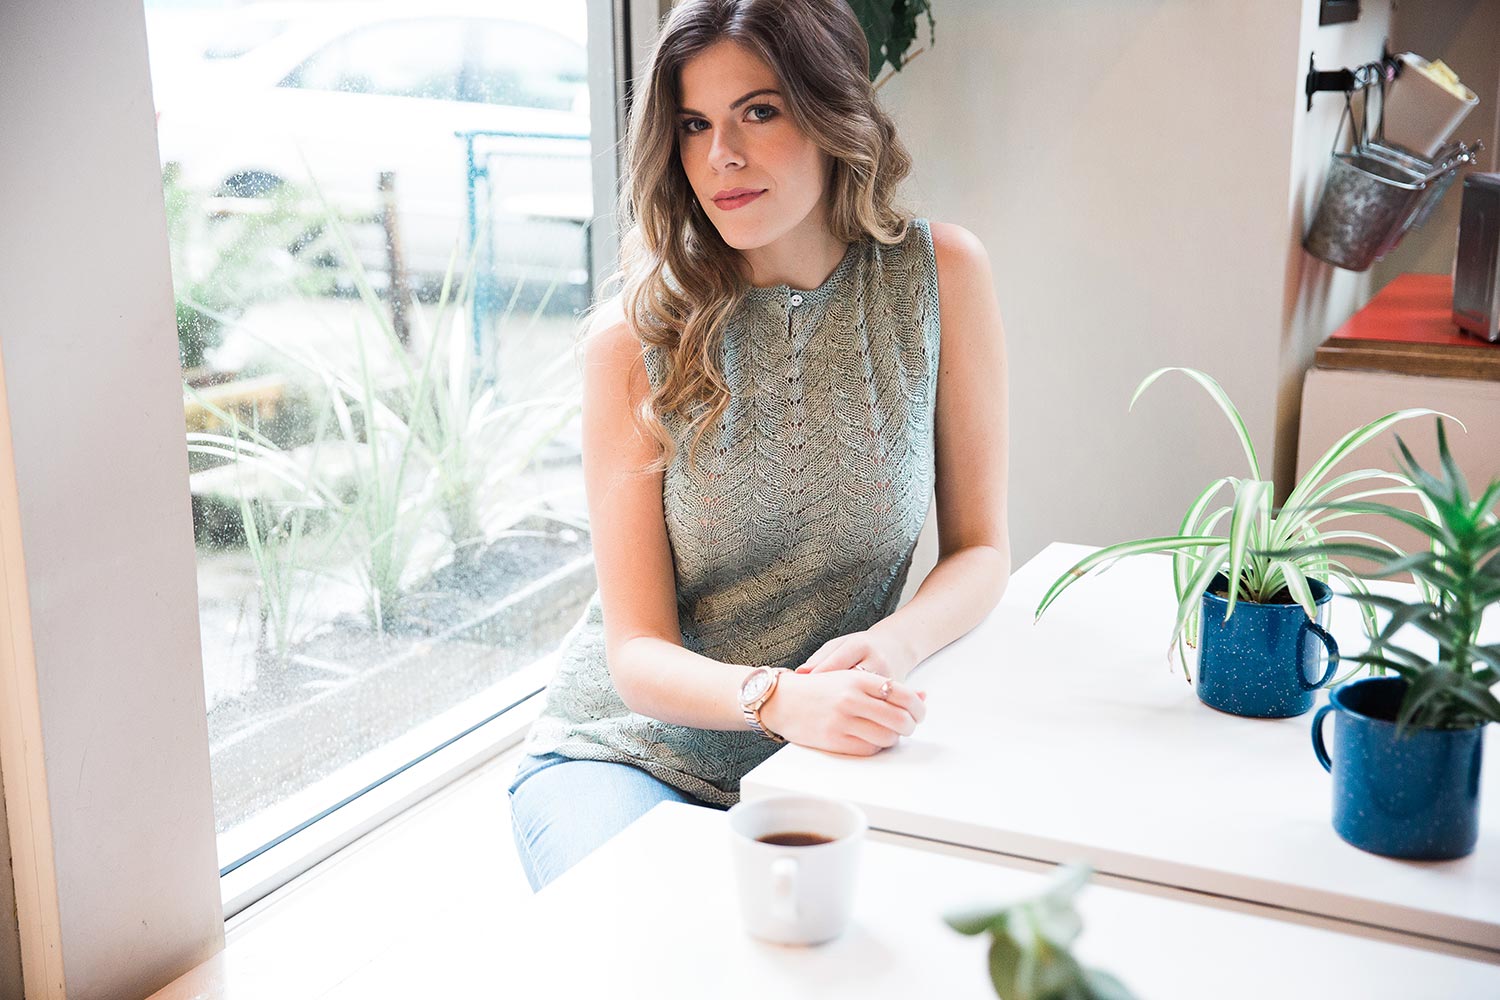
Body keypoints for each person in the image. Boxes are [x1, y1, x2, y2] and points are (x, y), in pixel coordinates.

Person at [507, 0, 1011, 893]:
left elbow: (981, 551)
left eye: (759, 111)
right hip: (631, 758)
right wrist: (778, 699)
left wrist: (894, 646)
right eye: (694, 124)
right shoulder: (633, 343)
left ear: (830, 115)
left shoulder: (943, 279)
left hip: (830, 757)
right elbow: (636, 658)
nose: (720, 156)